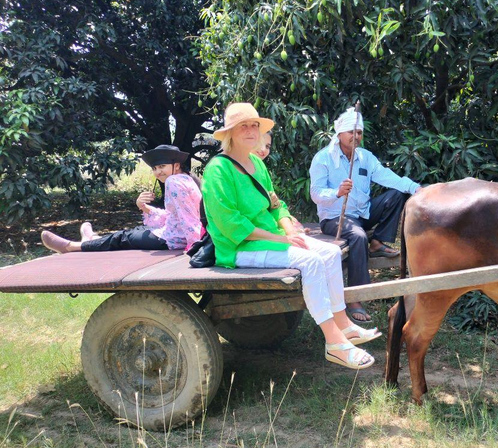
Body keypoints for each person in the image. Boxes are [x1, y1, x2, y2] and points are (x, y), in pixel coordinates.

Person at [202, 102, 380, 370]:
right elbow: (230, 223)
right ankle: (334, 343)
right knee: (310, 261)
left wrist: (288, 229)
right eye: (244, 126)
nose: (251, 131)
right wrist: (282, 240)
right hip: (239, 247)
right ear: (230, 133)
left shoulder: (255, 164)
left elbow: (276, 205)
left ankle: (344, 324)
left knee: (330, 252)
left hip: (272, 236)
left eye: (254, 125)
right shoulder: (218, 170)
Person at [309, 106, 421, 323]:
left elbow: (388, 177)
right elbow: (316, 193)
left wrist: (416, 188)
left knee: (397, 195)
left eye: (359, 132)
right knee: (358, 236)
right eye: (351, 131)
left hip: (361, 213)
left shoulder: (365, 158)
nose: (356, 136)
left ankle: (378, 242)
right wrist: (337, 192)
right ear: (340, 133)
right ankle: (355, 299)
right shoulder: (323, 158)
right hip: (335, 217)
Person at [40, 145, 203, 253]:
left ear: (176, 165)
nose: (158, 172)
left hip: (174, 239)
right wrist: (143, 206)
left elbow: (187, 217)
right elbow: (174, 216)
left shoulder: (173, 182)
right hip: (175, 234)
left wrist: (195, 245)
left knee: (124, 237)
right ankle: (93, 239)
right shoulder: (186, 179)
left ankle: (72, 247)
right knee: (136, 231)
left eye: (162, 167)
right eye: (155, 168)